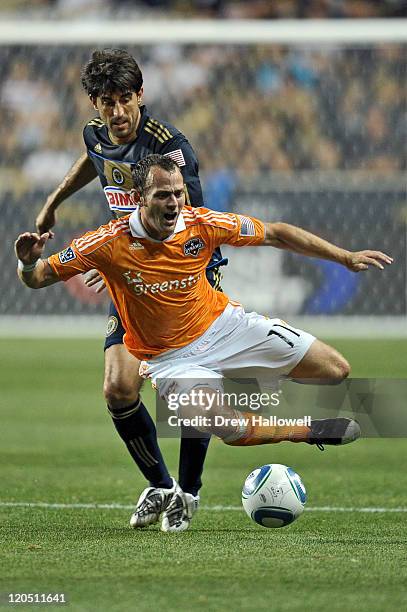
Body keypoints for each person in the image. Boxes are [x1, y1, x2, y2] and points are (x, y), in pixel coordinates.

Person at [16, 154, 393, 530]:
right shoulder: (107, 242)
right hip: (170, 360)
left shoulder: (201, 224)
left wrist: (344, 257)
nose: (175, 203)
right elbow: (39, 277)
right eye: (164, 195)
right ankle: (306, 430)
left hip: (227, 328)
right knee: (225, 427)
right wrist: (28, 264)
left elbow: (275, 232)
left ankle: (222, 399)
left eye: (179, 193)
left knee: (336, 370)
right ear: (138, 197)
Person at [35, 49, 227, 532]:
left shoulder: (170, 149)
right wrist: (55, 201)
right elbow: (94, 156)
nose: (117, 112)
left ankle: (190, 492)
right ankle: (162, 486)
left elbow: (190, 226)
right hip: (132, 275)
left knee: (186, 393)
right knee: (119, 388)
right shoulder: (98, 134)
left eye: (125, 99)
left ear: (141, 95)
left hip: (184, 275)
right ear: (94, 104)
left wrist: (125, 255)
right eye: (106, 102)